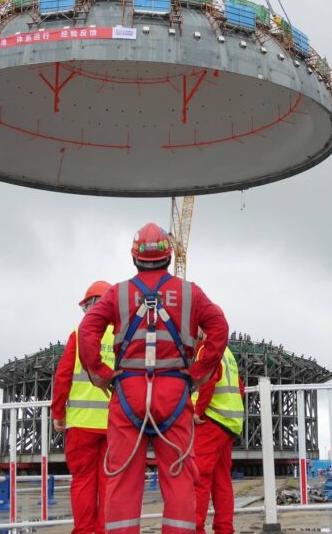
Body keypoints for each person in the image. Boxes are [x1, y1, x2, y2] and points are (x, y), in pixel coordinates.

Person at [78, 222, 229, 534]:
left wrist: (102, 375)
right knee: (180, 480)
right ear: (169, 256)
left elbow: (88, 329)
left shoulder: (117, 293)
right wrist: (200, 372)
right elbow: (219, 327)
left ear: (134, 257)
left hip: (127, 394)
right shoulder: (190, 293)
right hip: (174, 393)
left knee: (122, 481)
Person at [52, 280, 114, 534]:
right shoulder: (122, 335)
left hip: (80, 425)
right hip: (114, 425)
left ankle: (84, 531)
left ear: (88, 307)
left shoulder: (78, 335)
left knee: (83, 482)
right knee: (109, 483)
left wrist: (58, 412)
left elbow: (63, 376)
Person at [192, 341, 245, 534]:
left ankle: (195, 529)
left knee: (199, 477)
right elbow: (240, 388)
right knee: (222, 481)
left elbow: (207, 381)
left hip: (211, 421)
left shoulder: (207, 348)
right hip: (229, 424)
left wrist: (198, 411)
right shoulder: (227, 352)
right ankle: (224, 529)